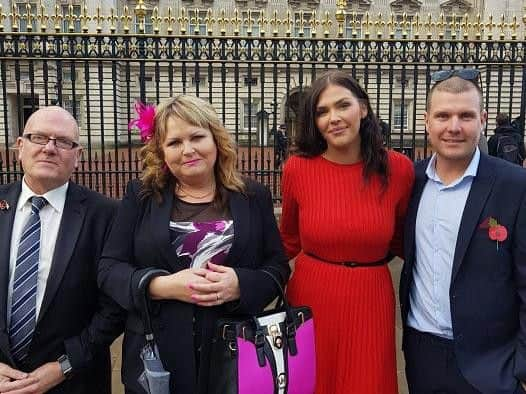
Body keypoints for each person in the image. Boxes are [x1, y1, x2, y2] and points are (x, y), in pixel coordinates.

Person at [97, 95, 290, 393]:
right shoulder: (141, 196)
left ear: (216, 139)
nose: (187, 150)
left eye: (197, 136)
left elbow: (277, 267)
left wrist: (241, 284)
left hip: (235, 354)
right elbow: (109, 269)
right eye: (174, 142)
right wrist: (160, 285)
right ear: (161, 150)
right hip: (158, 354)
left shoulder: (253, 196)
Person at [279, 70, 415, 394]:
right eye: (322, 111)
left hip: (371, 297)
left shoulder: (398, 169)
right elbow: (288, 239)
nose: (334, 118)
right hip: (312, 297)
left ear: (363, 108)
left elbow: (402, 239)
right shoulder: (297, 169)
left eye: (343, 106)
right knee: (312, 383)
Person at [399, 68, 526, 393]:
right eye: (443, 116)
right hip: (422, 353)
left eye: (465, 116)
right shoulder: (409, 182)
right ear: (427, 121)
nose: (454, 127)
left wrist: (521, 369)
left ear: (482, 120)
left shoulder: (514, 185)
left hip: (492, 364)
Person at [0, 106, 124, 393]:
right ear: (20, 147)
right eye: (39, 137)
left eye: (63, 142)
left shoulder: (105, 215)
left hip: (75, 381)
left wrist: (65, 365)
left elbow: (114, 306)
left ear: (78, 156)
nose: (49, 148)